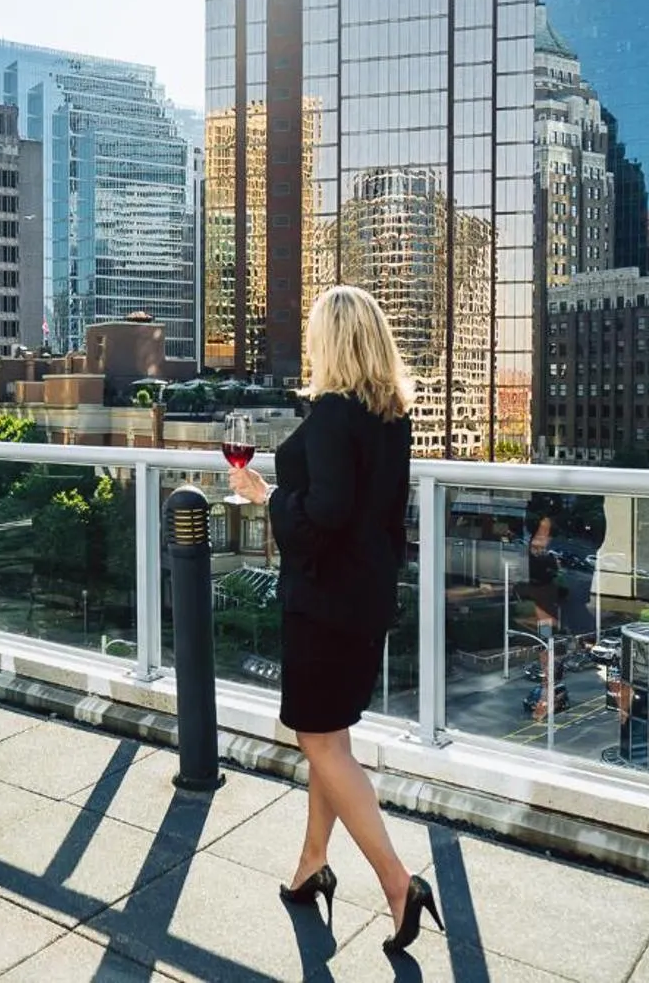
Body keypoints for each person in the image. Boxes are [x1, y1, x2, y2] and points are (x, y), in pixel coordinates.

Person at [227, 284, 441, 956]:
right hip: (366, 597)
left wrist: (267, 498)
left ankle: (398, 883)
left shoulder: (329, 416)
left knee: (318, 739)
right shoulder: (391, 416)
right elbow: (368, 512)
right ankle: (311, 863)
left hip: (322, 601)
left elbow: (323, 512)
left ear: (331, 341)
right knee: (330, 736)